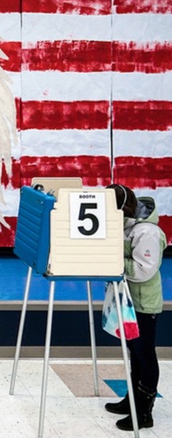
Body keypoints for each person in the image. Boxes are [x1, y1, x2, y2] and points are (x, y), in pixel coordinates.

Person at [104, 184, 166, 431]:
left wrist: (112, 261)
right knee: (133, 351)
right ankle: (132, 400)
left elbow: (143, 269)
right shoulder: (127, 226)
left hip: (144, 302)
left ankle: (144, 411)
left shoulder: (147, 232)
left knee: (145, 354)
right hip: (128, 300)